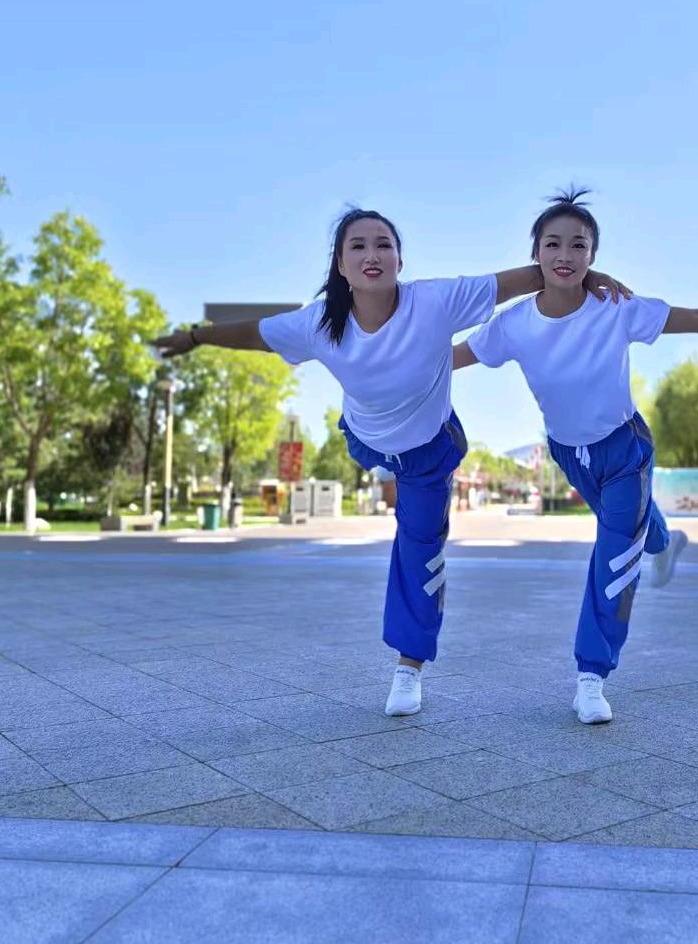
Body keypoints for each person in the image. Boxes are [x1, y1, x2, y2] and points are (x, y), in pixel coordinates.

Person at [151, 207, 628, 717]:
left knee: (420, 549)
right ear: (340, 264)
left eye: (384, 244)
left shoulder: (436, 301)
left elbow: (521, 279)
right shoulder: (318, 323)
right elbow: (256, 333)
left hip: (427, 452)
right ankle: (388, 481)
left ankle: (408, 669)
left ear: (400, 258)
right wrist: (198, 336)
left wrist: (583, 274)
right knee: (380, 463)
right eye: (357, 246)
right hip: (365, 439)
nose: (372, 255)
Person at [453, 188, 698, 724]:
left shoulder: (616, 308)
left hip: (626, 449)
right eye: (553, 244)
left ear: (594, 255)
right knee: (636, 534)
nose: (565, 254)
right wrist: (385, 367)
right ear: (536, 254)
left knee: (614, 553)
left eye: (579, 244)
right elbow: (455, 358)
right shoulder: (514, 324)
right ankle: (663, 541)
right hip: (568, 452)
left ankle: (591, 677)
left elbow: (695, 318)